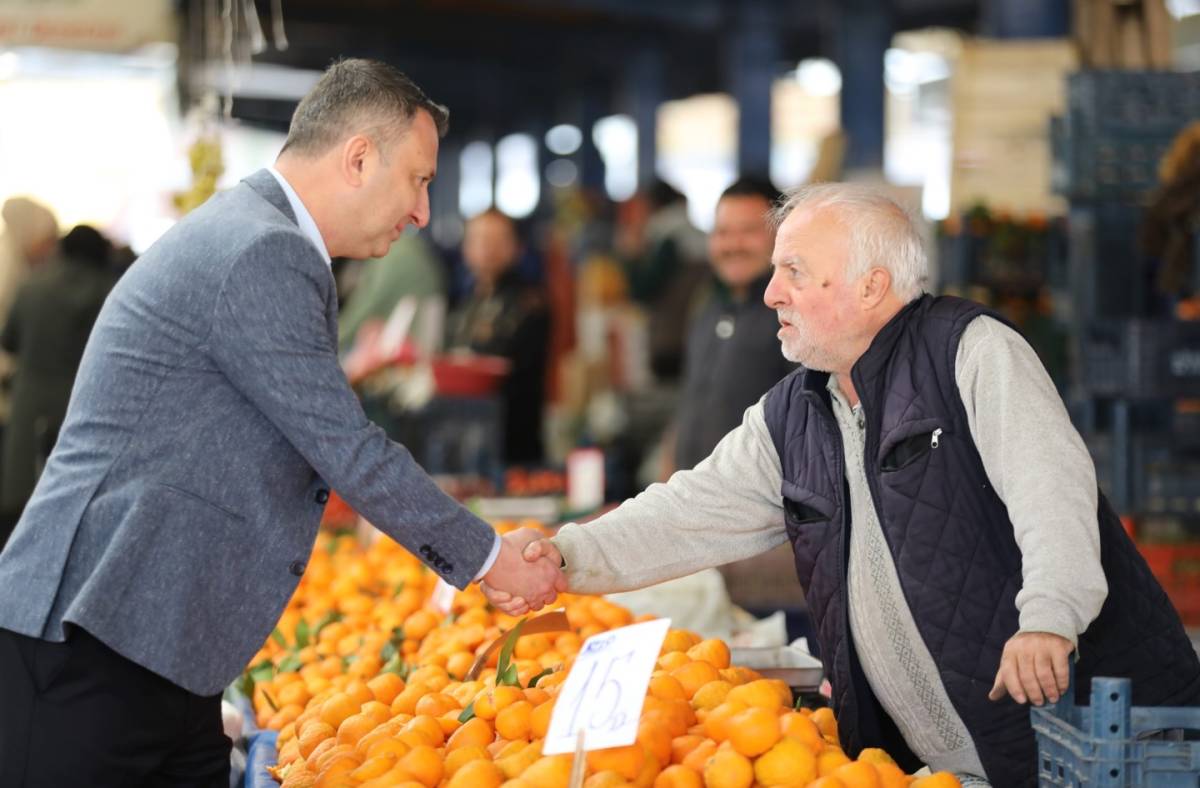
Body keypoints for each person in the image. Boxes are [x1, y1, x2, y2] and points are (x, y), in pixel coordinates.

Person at [489, 183, 1200, 786]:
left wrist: (1048, 616)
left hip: (1091, 743)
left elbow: (1052, 487)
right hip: (946, 766)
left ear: (871, 286)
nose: (771, 293)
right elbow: (689, 511)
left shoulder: (973, 353)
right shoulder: (794, 411)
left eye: (794, 272)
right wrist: (565, 556)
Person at [0, 59, 563, 787]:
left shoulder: (258, 236)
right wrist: (488, 559)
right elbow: (346, 448)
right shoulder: (264, 251)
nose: (424, 212)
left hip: (151, 639)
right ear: (359, 157)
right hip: (95, 637)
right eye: (419, 179)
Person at [0, 226, 119, 545]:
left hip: (30, 404)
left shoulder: (31, 287)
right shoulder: (110, 291)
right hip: (80, 405)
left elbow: (8, 341)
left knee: (20, 502)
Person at [671, 176, 796, 472]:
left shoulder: (793, 315)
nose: (732, 245)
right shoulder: (708, 307)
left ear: (782, 234)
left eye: (749, 231)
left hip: (759, 510)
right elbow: (689, 400)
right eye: (722, 232)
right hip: (691, 500)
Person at [446, 208, 550, 465]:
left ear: (515, 247)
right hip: (464, 435)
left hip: (511, 439)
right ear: (465, 249)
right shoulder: (465, 303)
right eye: (479, 240)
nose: (487, 249)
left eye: (496, 241)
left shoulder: (529, 303)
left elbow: (507, 362)